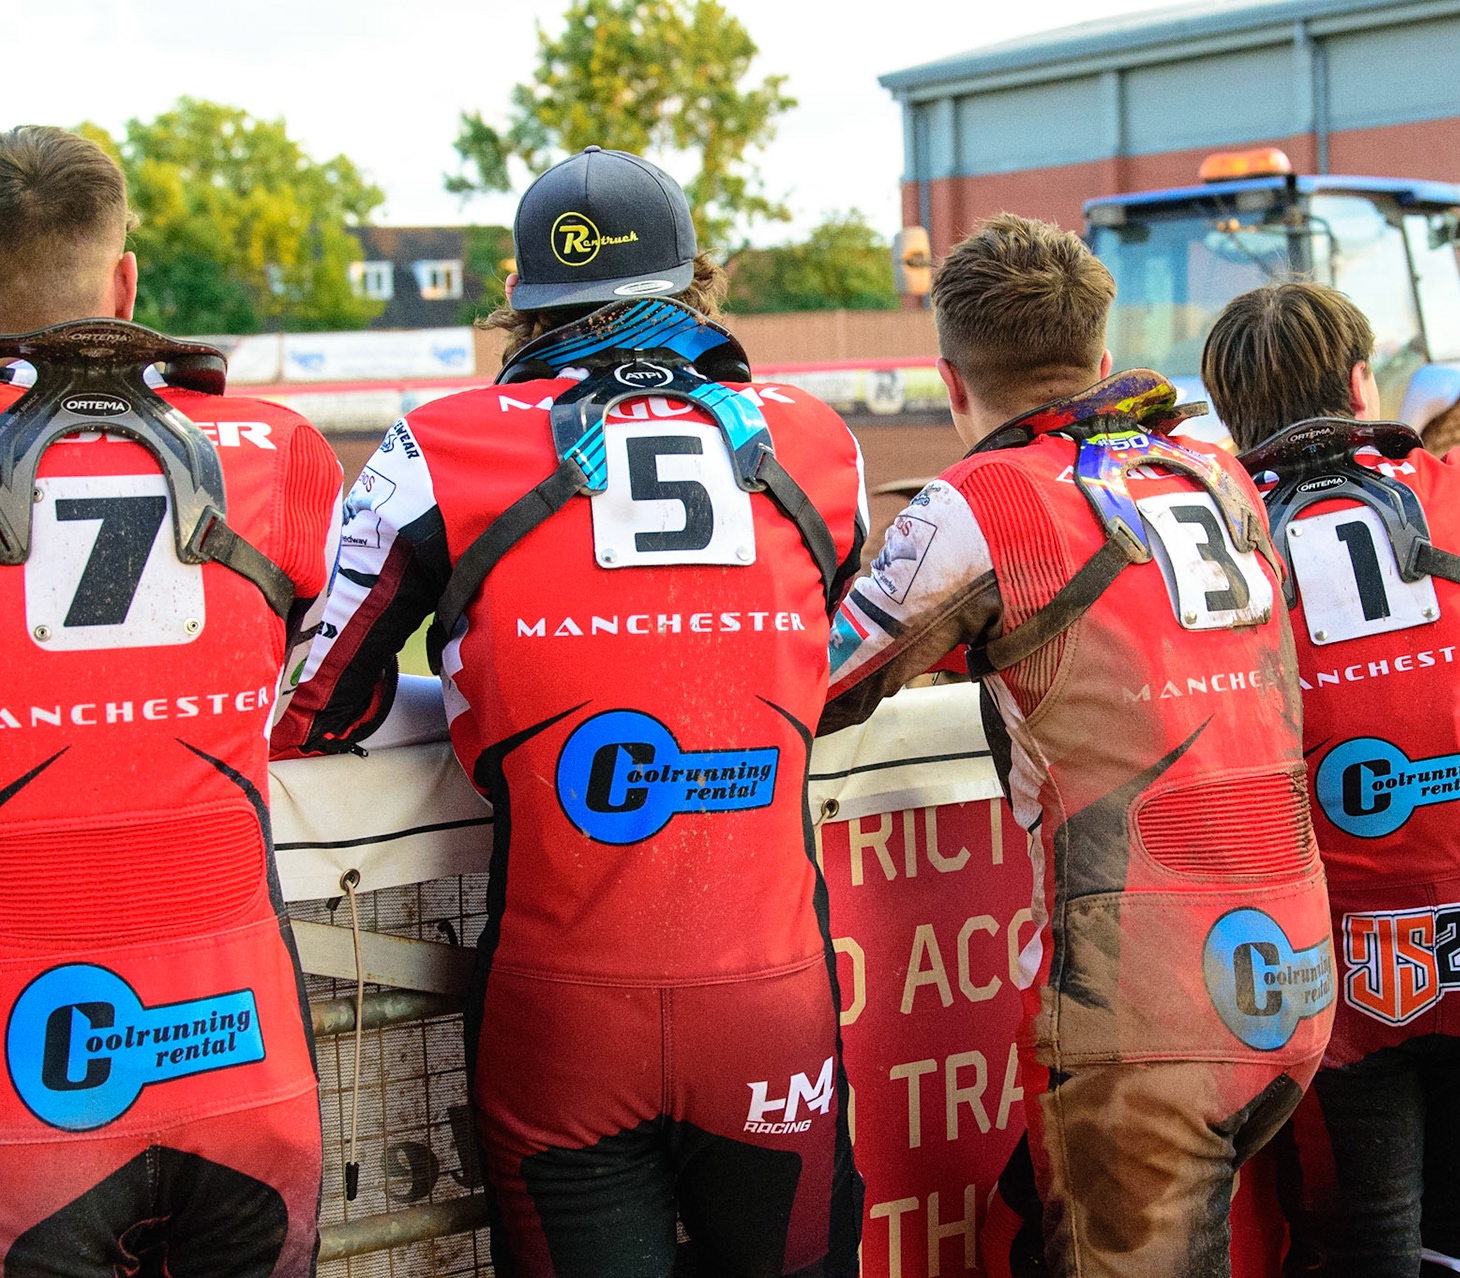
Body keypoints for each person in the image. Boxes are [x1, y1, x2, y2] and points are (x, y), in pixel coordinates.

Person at [273, 147, 869, 1277]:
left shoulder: (433, 448)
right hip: (774, 999)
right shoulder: (816, 440)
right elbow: (824, 665)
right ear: (695, 288)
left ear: (524, 303)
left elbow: (307, 713)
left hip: (560, 1013)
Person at [819, 212, 1334, 1277]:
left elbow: (819, 687)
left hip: (1147, 998)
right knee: (1040, 1224)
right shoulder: (1214, 468)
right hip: (1292, 964)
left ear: (953, 384)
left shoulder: (983, 498)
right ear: (1102, 358)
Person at [0, 126, 339, 1274]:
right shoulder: (282, 451)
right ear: (125, 282)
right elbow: (305, 676)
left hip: (21, 1087)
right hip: (244, 1055)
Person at [1200, 282, 1460, 1276]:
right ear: (1362, 380)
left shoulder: (1221, 532)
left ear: (1229, 414)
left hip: (1332, 952)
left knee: (1356, 1251)